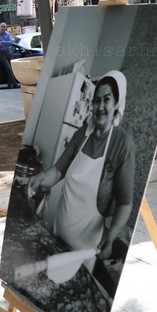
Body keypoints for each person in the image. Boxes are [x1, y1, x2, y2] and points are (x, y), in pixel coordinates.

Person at [27, 71, 135, 274]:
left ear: (117, 104)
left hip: (84, 251)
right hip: (58, 233)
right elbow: (57, 172)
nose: (100, 107)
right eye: (96, 101)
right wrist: (40, 178)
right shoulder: (82, 134)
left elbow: (125, 202)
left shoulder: (122, 144)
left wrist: (110, 237)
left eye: (107, 100)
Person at [0, 22, 20, 89]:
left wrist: (2, 42)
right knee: (8, 69)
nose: (3, 28)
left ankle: (9, 84)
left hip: (9, 52)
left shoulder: (8, 34)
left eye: (4, 27)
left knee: (11, 68)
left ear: (6, 28)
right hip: (1, 53)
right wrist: (5, 43)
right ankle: (14, 84)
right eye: (1, 26)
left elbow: (11, 42)